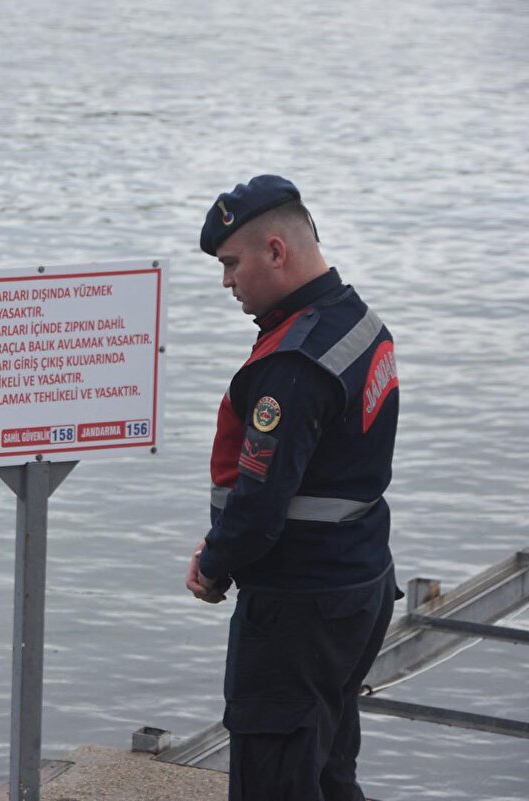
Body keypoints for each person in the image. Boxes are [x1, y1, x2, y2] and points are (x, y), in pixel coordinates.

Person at [185, 176, 400, 801]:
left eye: (231, 263)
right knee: (329, 769)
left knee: (275, 777)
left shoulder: (292, 363)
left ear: (275, 252)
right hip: (359, 584)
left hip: (298, 604)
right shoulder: (358, 320)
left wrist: (214, 565)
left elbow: (259, 504)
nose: (227, 281)